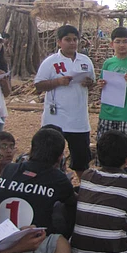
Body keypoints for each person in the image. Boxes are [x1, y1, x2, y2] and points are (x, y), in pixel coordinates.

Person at [34, 25, 95, 178]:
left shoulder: (85, 60)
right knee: (48, 157)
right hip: (55, 118)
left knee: (81, 160)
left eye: (75, 39)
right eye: (68, 39)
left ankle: (84, 187)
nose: (72, 43)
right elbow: (38, 85)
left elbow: (92, 83)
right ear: (59, 42)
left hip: (79, 119)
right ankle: (47, 185)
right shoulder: (50, 62)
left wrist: (89, 83)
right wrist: (57, 82)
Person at [0, 127, 76, 238]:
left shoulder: (10, 169)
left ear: (32, 150)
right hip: (35, 239)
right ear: (60, 157)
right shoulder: (58, 178)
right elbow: (74, 202)